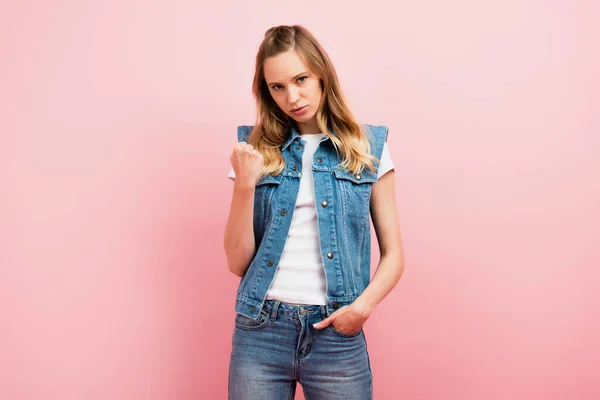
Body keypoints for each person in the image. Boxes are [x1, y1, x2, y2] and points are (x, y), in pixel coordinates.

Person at [223, 24, 405, 400]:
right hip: (261, 330)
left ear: (321, 73)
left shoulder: (367, 147)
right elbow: (238, 262)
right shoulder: (253, 152)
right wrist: (244, 184)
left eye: (301, 79)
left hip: (336, 333)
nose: (293, 96)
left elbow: (395, 255)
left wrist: (362, 308)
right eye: (277, 87)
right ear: (266, 91)